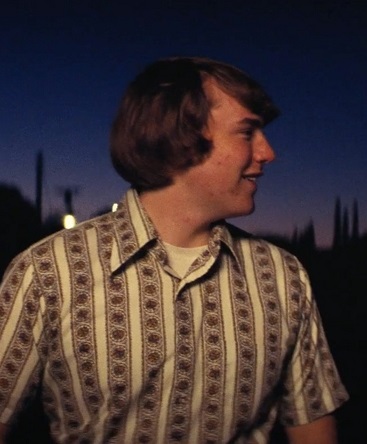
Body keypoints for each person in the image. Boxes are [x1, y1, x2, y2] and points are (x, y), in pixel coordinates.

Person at [0, 56, 348, 443]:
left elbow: (312, 424)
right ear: (179, 137)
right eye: (247, 132)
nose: (268, 153)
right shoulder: (48, 271)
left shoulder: (283, 276)